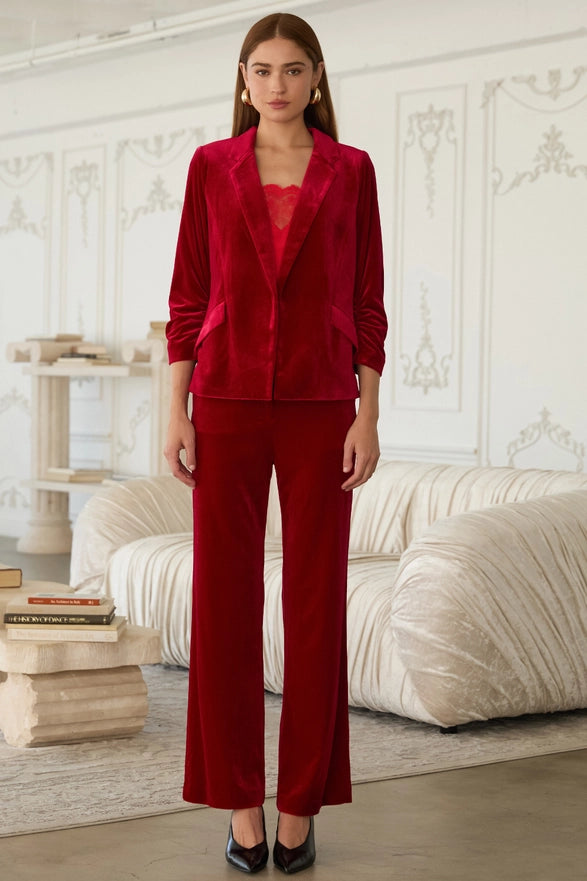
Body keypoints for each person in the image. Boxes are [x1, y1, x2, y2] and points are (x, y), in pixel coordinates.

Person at [164, 11, 387, 875]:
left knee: (314, 604)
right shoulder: (210, 169)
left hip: (320, 402)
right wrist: (175, 409)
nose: (279, 84)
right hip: (221, 398)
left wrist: (366, 412)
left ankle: (299, 804)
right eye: (263, 69)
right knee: (222, 607)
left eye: (294, 69)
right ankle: (240, 807)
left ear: (317, 78)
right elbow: (186, 296)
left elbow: (367, 300)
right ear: (244, 80)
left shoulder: (351, 172)